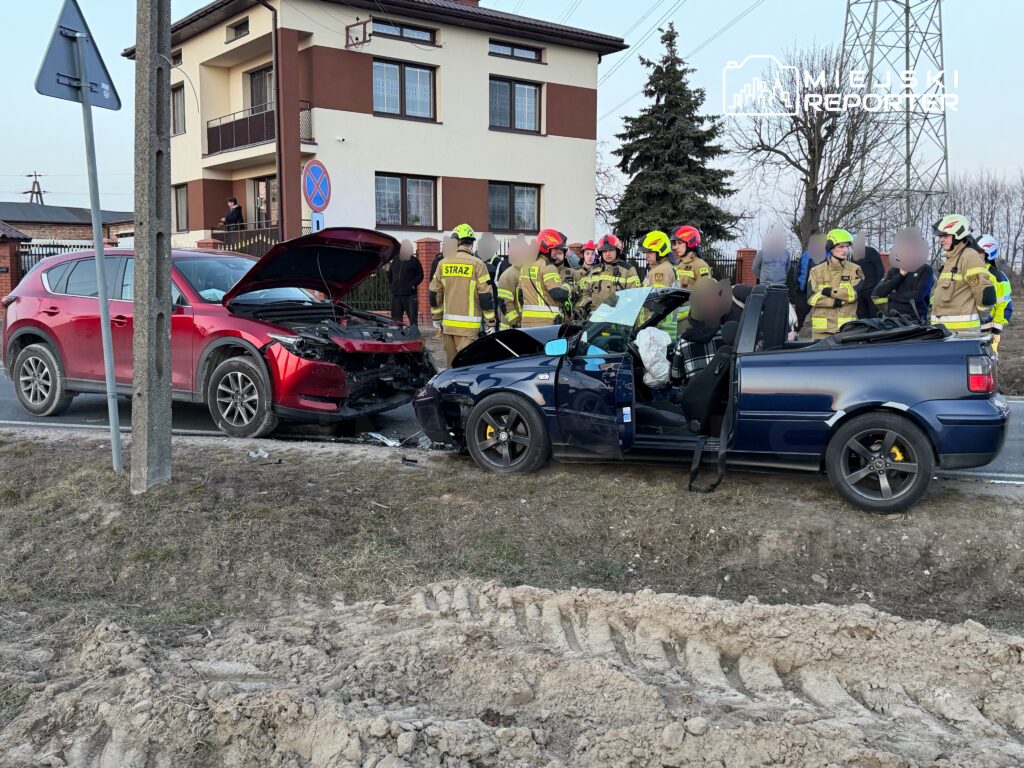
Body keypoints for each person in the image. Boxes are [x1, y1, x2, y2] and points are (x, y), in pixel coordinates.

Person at [429, 223, 495, 365]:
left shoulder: (443, 263)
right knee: (466, 368)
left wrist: (436, 318)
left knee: (451, 366)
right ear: (471, 243)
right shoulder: (478, 264)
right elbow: (485, 296)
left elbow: (434, 293)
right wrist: (490, 322)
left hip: (448, 327)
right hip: (468, 329)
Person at [931, 214, 997, 335]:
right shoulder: (951, 259)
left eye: (945, 235)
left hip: (962, 334)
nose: (941, 239)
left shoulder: (969, 257)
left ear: (958, 234)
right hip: (944, 332)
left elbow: (984, 294)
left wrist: (981, 317)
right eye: (940, 236)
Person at [807, 228, 863, 339]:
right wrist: (836, 302)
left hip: (846, 329)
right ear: (830, 247)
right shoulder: (816, 271)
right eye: (841, 247)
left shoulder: (855, 269)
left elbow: (853, 294)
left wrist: (828, 291)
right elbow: (811, 298)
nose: (845, 250)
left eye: (847, 247)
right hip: (821, 331)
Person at [872, 227, 934, 322]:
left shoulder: (926, 270)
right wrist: (900, 275)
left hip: (916, 320)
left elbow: (918, 296)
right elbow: (877, 293)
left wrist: (893, 296)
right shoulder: (895, 270)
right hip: (893, 319)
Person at [519, 229, 573, 327]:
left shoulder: (525, 266)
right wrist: (568, 288)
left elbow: (520, 295)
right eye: (555, 249)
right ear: (546, 248)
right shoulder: (549, 267)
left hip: (526, 322)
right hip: (546, 322)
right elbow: (558, 294)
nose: (557, 253)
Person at [582, 234, 641, 311]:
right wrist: (587, 305)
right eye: (604, 251)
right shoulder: (594, 270)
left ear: (617, 251)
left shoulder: (628, 270)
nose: (607, 254)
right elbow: (585, 293)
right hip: (595, 316)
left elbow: (634, 296)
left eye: (611, 250)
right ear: (600, 253)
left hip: (617, 316)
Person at [977, 234, 1013, 354]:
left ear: (987, 253)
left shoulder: (998, 278)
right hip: (967, 327)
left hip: (987, 330)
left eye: (979, 251)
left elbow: (1003, 305)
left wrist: (996, 332)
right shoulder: (969, 271)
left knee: (986, 360)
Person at [387, 239, 423, 327]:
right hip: (396, 295)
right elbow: (389, 275)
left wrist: (413, 285)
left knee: (412, 318)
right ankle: (398, 334)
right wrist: (391, 286)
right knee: (396, 319)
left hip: (410, 294)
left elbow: (420, 275)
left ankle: (414, 333)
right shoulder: (395, 261)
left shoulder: (414, 261)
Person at [794, 234, 826, 331]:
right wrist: (797, 285)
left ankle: (821, 335)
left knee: (821, 315)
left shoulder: (828, 256)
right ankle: (793, 333)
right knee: (799, 315)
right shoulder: (805, 255)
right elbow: (798, 271)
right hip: (804, 290)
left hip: (820, 292)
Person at [496, 237, 530, 330]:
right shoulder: (508, 275)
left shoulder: (530, 272)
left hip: (526, 324)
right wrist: (516, 323)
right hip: (511, 327)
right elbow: (505, 303)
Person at [851, 233, 885, 319]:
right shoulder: (853, 257)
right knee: (862, 316)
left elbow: (880, 269)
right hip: (860, 292)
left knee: (875, 316)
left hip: (872, 291)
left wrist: (877, 287)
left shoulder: (871, 251)